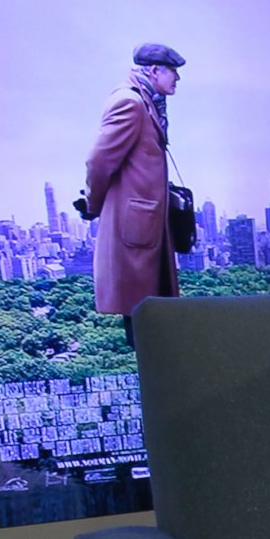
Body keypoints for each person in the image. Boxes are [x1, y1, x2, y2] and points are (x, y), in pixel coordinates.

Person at [81, 43, 185, 338]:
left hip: (147, 225)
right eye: (173, 71)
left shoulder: (147, 102)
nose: (177, 78)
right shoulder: (130, 102)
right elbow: (99, 161)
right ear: (154, 70)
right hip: (135, 229)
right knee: (142, 322)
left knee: (153, 319)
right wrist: (93, 204)